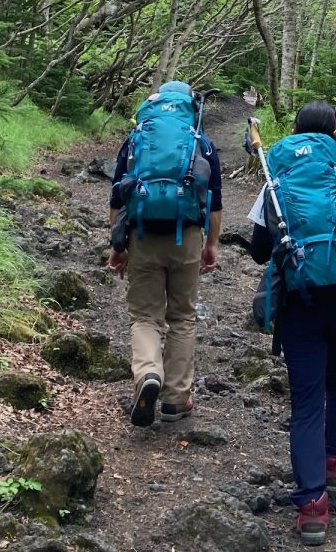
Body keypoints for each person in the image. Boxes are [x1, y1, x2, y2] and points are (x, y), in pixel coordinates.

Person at [247, 101, 336, 546]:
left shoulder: (276, 181)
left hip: (301, 307)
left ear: (294, 134)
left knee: (306, 402)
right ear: (334, 137)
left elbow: (259, 251)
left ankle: (312, 508)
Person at [107, 81, 223, 427]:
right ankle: (176, 398)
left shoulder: (136, 139)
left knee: (145, 317)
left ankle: (147, 374)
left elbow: (118, 197)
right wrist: (211, 244)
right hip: (185, 235)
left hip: (142, 235)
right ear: (191, 106)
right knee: (182, 317)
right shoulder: (200, 141)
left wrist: (118, 246)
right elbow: (214, 202)